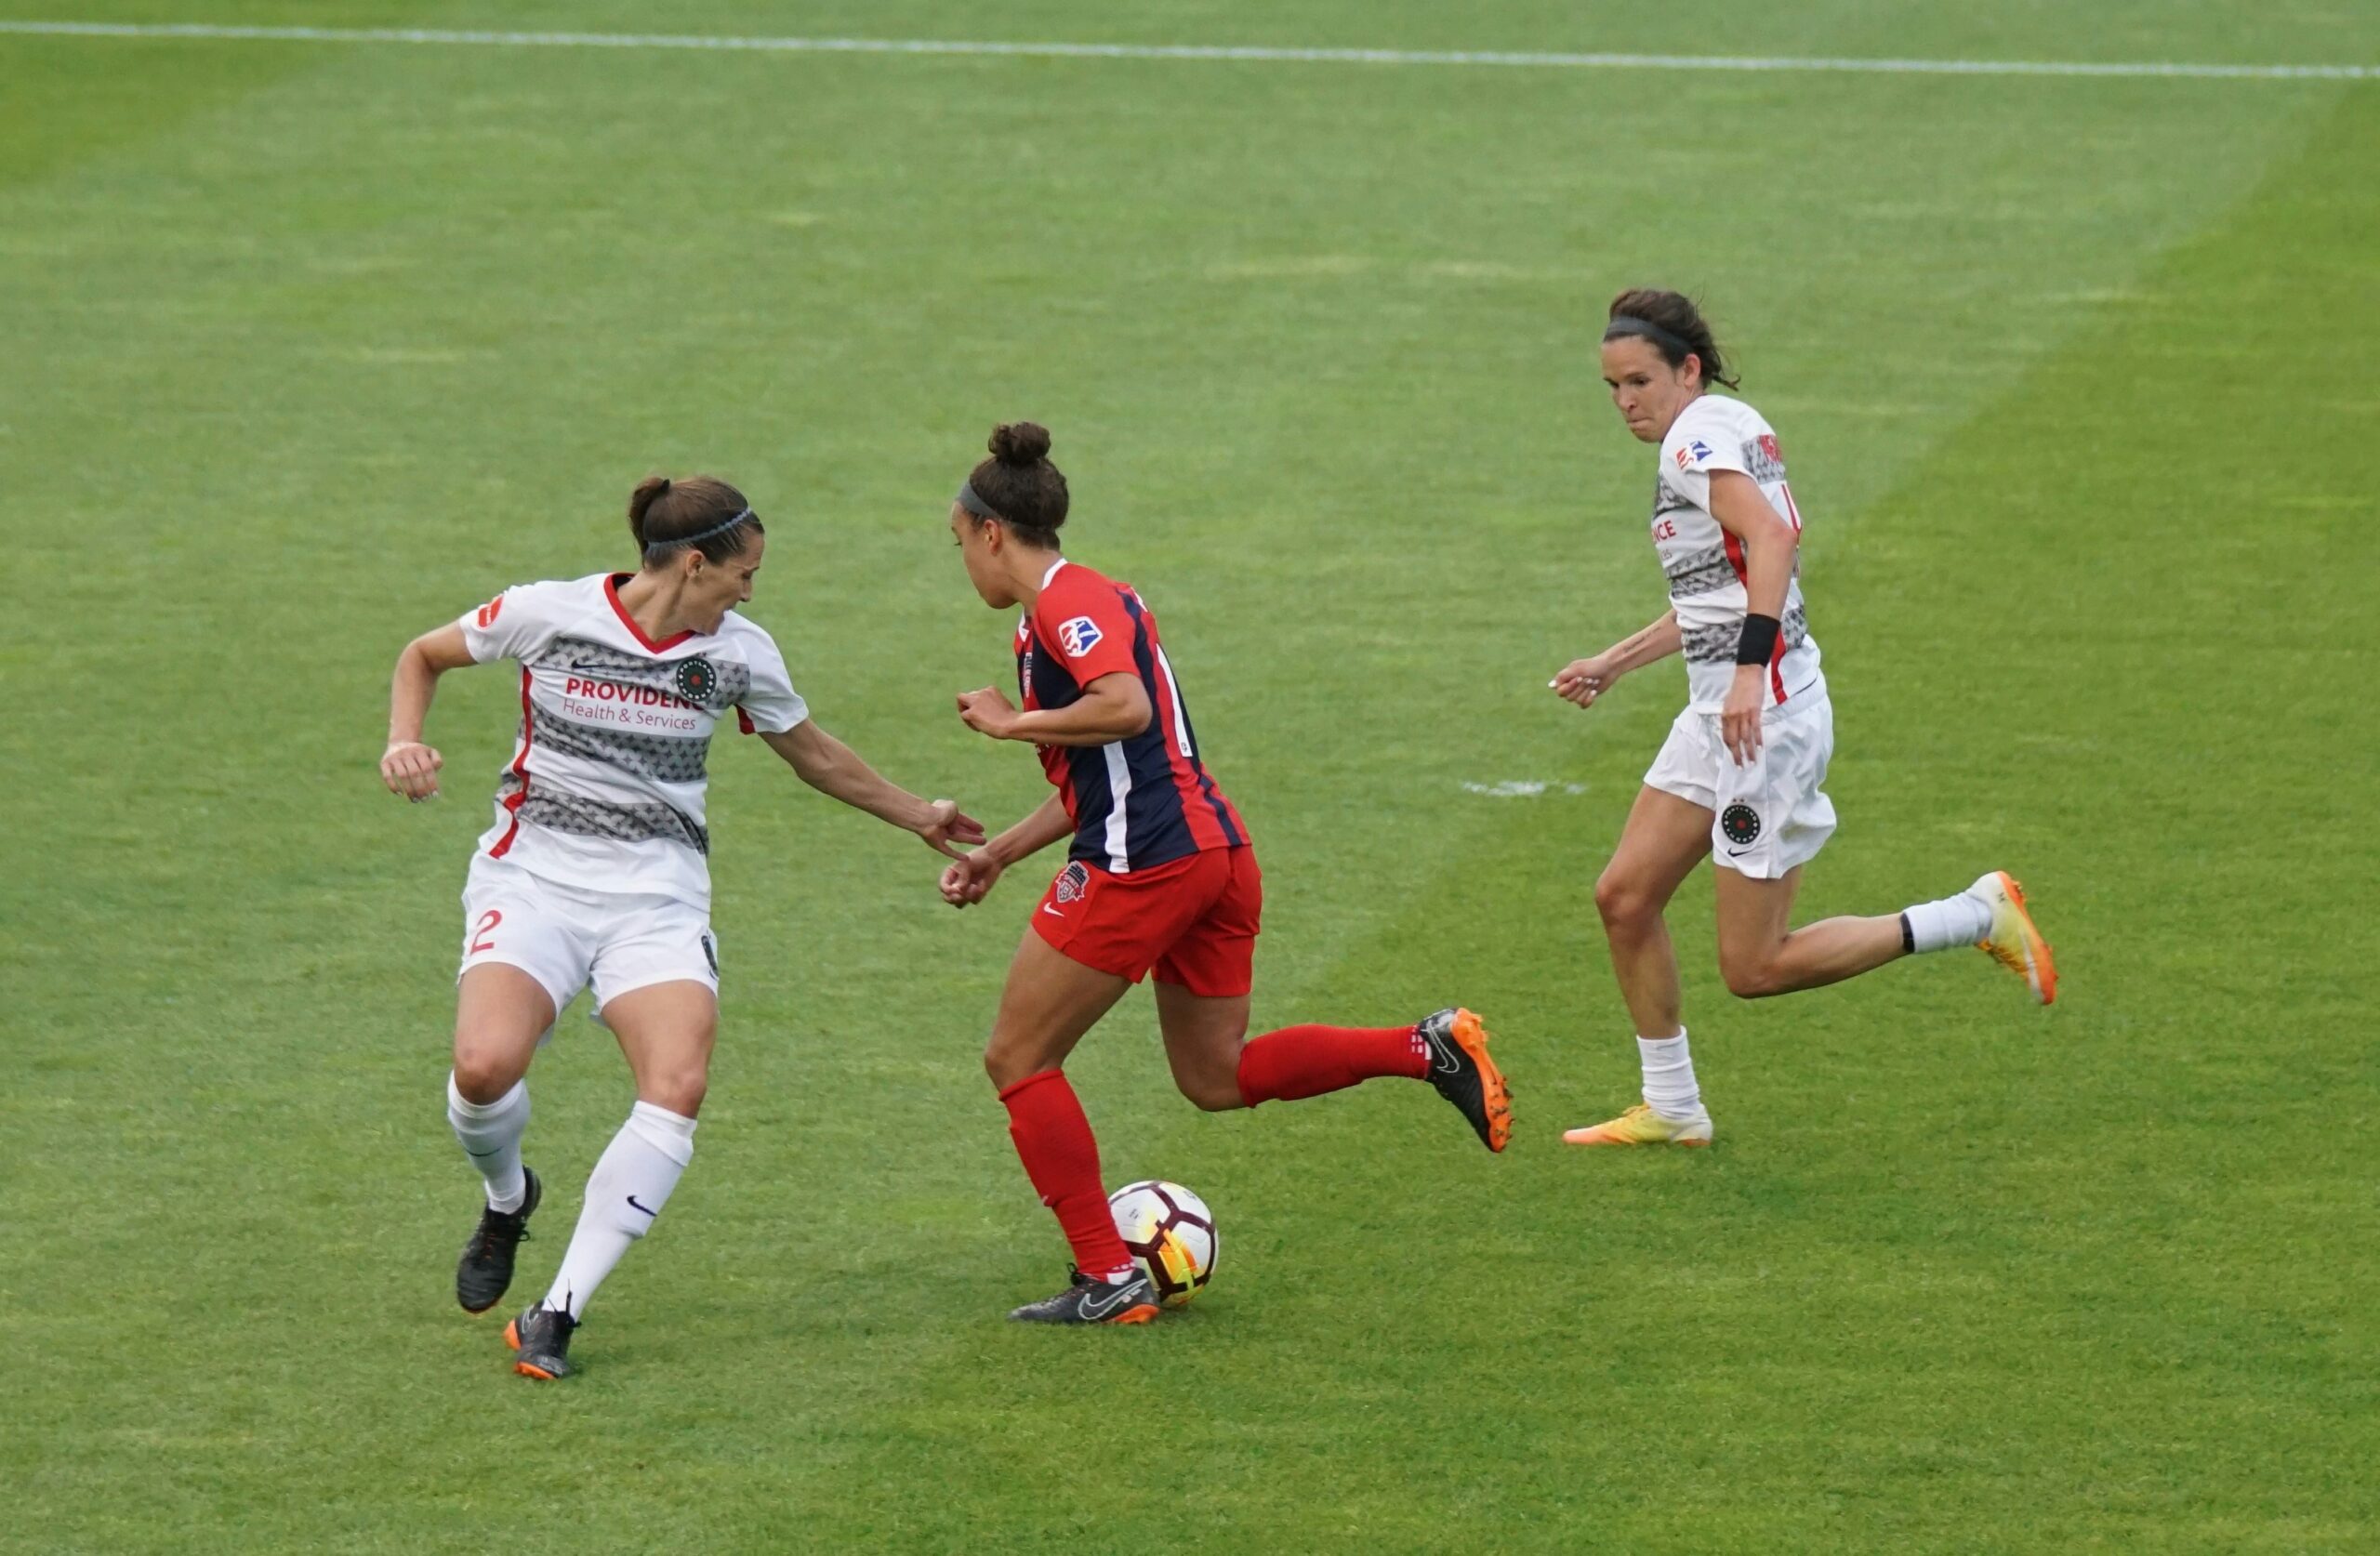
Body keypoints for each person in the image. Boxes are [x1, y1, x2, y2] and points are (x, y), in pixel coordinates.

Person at [380, 475, 983, 1378]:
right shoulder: (548, 612)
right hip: (534, 879)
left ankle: (559, 1310)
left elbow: (812, 754)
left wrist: (917, 815)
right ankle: (508, 1200)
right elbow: (421, 655)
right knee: (483, 1069)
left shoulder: (739, 654)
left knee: (677, 1081)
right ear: (694, 563)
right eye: (743, 573)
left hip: (655, 900)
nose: (750, 590)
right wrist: (403, 739)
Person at [937, 422, 1512, 1325]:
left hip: (1145, 865)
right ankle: (1426, 1046)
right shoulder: (1081, 602)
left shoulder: (1062, 602)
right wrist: (1000, 852)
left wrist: (1011, 725)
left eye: (957, 541)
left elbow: (1122, 710)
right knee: (1212, 1076)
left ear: (990, 532)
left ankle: (1106, 1274)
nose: (960, 559)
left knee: (1018, 1056)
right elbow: (1114, 769)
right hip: (1213, 854)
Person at [1552, 290, 2056, 1148]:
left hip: (1762, 726)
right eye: (1611, 387)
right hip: (1722, 714)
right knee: (1625, 897)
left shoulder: (1694, 437)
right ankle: (1673, 1107)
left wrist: (1750, 673)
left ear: (1687, 369)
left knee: (1755, 967)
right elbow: (1727, 586)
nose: (1625, 402)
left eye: (1639, 380)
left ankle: (1976, 914)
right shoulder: (1728, 423)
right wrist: (1617, 661)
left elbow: (1777, 544)